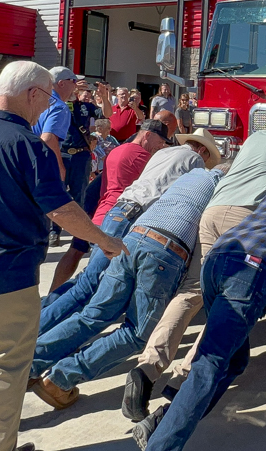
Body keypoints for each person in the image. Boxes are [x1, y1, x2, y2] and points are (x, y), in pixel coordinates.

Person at [0, 60, 128, 451]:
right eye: (48, 98)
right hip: (9, 279)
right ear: (32, 93)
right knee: (5, 370)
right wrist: (105, 240)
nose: (47, 106)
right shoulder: (30, 146)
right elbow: (61, 210)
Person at [126, 115, 266, 413]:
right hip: (244, 219)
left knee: (193, 290)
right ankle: (183, 378)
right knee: (225, 302)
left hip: (213, 212)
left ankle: (148, 366)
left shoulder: (254, 138)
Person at [131, 168, 266, 451]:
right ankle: (161, 445)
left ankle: (162, 420)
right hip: (251, 271)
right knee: (208, 366)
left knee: (234, 361)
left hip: (218, 259)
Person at [31, 164, 229, 409]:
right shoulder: (223, 190)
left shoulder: (192, 176)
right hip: (165, 250)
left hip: (133, 237)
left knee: (93, 315)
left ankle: (29, 365)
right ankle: (60, 379)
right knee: (137, 333)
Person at [45, 118, 168, 293]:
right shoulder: (143, 157)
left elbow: (99, 185)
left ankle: (53, 294)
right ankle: (58, 306)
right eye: (160, 141)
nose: (161, 146)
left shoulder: (116, 151)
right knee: (92, 279)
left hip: (98, 212)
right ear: (147, 135)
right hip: (116, 219)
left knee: (77, 254)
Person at [33, 67, 89, 247]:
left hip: (32, 163)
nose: (76, 86)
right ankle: (73, 237)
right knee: (60, 199)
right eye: (73, 81)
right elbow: (48, 139)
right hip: (51, 160)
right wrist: (59, 166)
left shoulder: (36, 100)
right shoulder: (59, 107)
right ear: (61, 83)